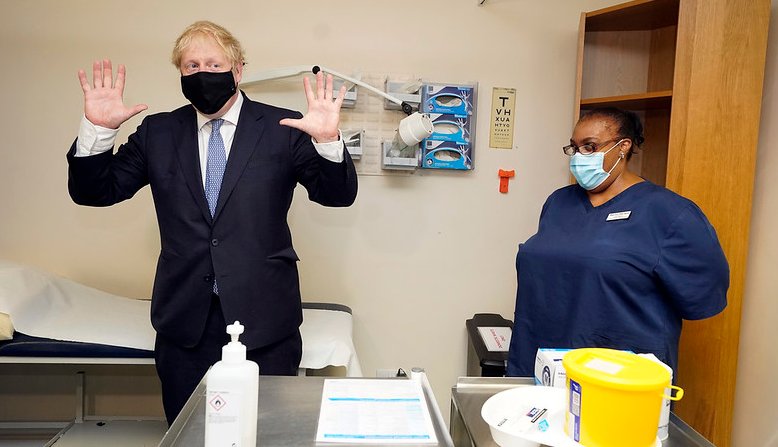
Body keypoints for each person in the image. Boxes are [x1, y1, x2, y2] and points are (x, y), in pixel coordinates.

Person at [66, 21, 357, 424]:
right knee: (190, 432)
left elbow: (337, 195)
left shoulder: (283, 129)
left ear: (238, 70)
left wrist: (327, 142)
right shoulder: (158, 132)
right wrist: (98, 130)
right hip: (185, 325)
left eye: (214, 64)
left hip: (265, 322)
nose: (202, 73)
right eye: (191, 66)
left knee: (266, 432)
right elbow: (94, 192)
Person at [506, 107, 729, 379]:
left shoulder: (669, 213)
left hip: (617, 376)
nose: (579, 157)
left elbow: (704, 295)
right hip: (545, 364)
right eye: (574, 148)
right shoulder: (559, 202)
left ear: (623, 147)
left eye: (590, 147)